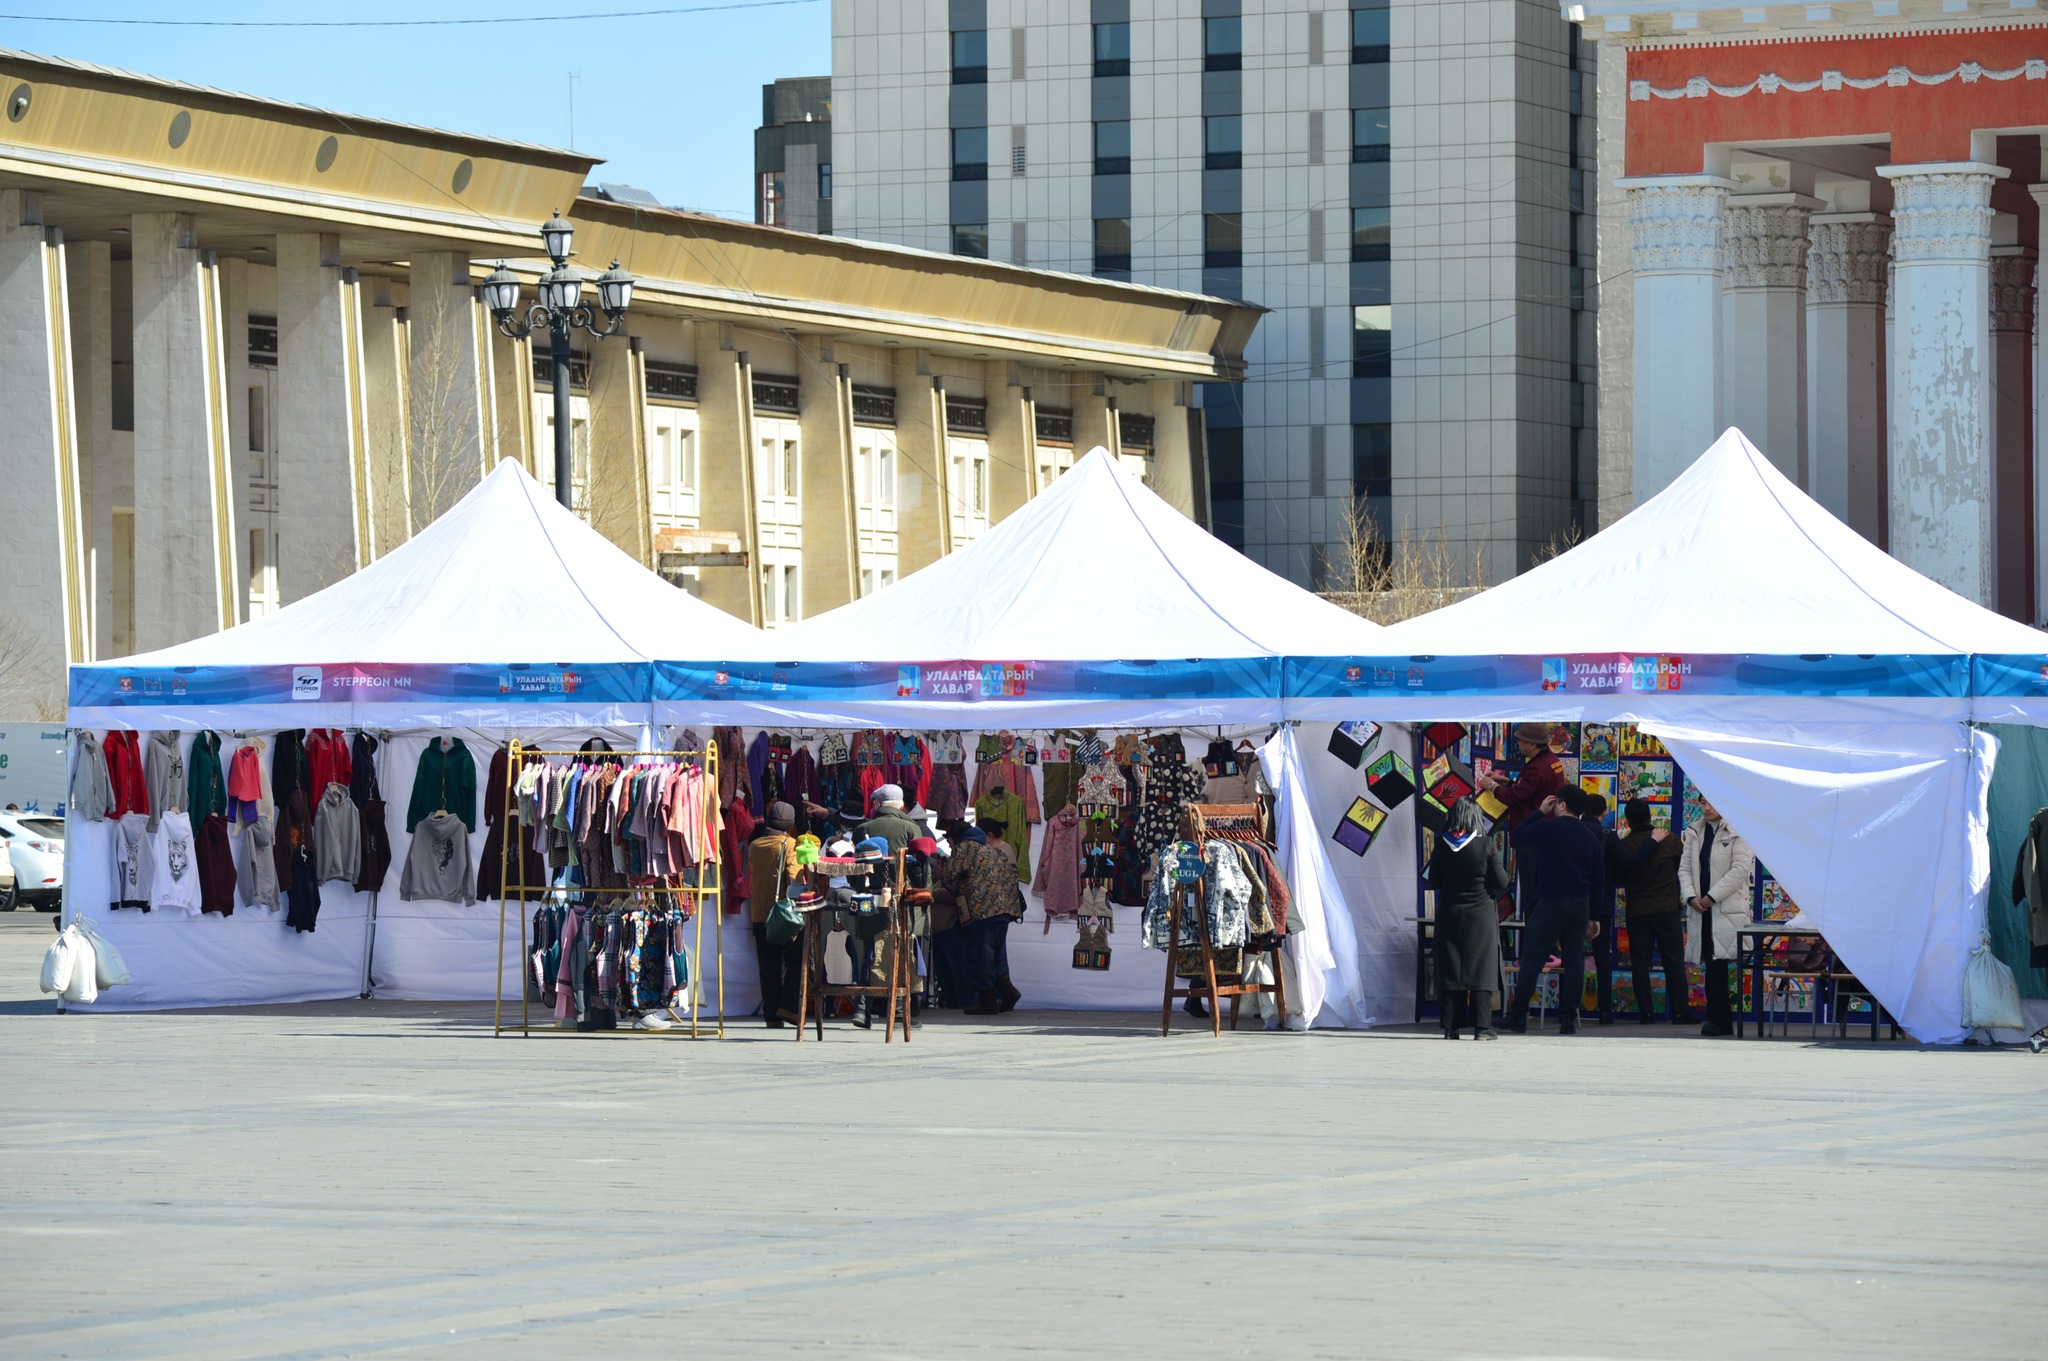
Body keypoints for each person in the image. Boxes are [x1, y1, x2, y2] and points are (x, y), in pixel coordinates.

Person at [1502, 787, 1606, 1034]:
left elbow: (1517, 838)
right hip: (1579, 904)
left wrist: (1538, 812)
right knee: (1574, 961)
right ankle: (1568, 1019)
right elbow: (1599, 880)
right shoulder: (1591, 837)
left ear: (1560, 804)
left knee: (1533, 958)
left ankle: (1518, 1016)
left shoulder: (1548, 828)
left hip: (1551, 901)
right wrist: (1595, 916)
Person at [1427, 797, 1511, 1039]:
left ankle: (1451, 1027)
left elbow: (1434, 881)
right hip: (1481, 915)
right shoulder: (1486, 844)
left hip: (1450, 912)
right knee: (1481, 970)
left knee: (1452, 968)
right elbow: (1501, 882)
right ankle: (1482, 1027)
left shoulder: (1442, 845)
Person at [1608, 797, 1693, 1024]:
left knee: (1639, 962)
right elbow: (1682, 869)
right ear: (1650, 816)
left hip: (1637, 911)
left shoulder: (1625, 846)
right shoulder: (1671, 841)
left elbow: (1618, 877)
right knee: (1673, 961)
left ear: (1627, 821)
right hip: (1666, 909)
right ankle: (1680, 1012)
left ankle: (1646, 1013)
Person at [1679, 795, 1755, 1037]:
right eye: (1702, 803)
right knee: (1711, 964)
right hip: (1701, 908)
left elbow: (1740, 870)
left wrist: (1710, 897)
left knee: (1718, 964)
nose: (1706, 808)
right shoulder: (1694, 831)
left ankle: (1716, 1019)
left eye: (1711, 802)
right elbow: (1685, 868)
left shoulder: (1737, 831)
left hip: (1724, 908)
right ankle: (1720, 1020)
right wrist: (1690, 897)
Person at [943, 817, 1025, 1015]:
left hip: (981, 910)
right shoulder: (991, 849)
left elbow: (949, 878)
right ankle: (1008, 991)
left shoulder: (964, 848)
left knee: (979, 956)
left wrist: (959, 889)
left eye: (949, 840)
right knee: (995, 955)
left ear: (956, 838)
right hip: (1004, 910)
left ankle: (988, 1000)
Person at [746, 801, 805, 1029]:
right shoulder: (790, 845)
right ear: (790, 824)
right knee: (796, 959)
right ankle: (788, 1006)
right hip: (785, 916)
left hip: (760, 915)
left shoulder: (755, 845)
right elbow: (793, 878)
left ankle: (772, 1015)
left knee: (768, 965)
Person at [1577, 789, 1617, 1025]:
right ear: (1604, 812)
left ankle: (1568, 1009)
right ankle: (1605, 1011)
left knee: (1573, 955)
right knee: (1602, 958)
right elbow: (1622, 863)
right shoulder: (1607, 835)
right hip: (1601, 903)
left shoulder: (1574, 830)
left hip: (1576, 901)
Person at [1481, 722, 1567, 831]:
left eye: (1520, 740)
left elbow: (1513, 797)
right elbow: (1531, 790)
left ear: (1532, 744)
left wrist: (1492, 785)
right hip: (1544, 827)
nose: (1518, 743)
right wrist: (1507, 782)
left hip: (1532, 832)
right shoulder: (1553, 760)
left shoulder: (1537, 768)